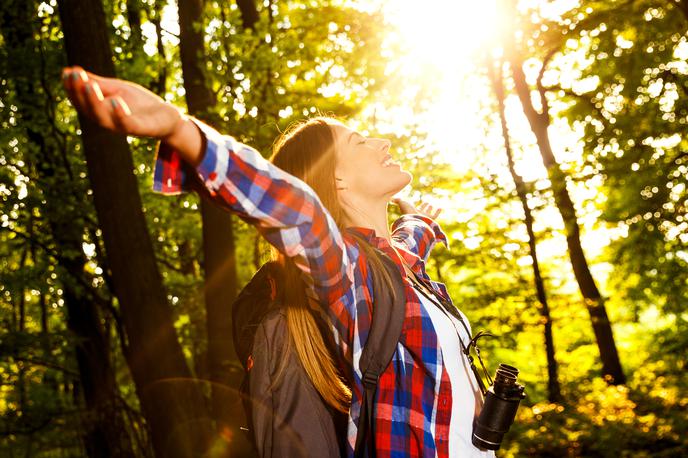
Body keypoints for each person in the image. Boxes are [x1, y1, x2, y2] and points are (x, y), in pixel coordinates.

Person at [62, 66, 496, 458]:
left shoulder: (399, 270)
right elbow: (295, 212)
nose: (381, 142)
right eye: (359, 142)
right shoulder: (354, 280)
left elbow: (407, 245)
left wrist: (418, 219)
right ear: (336, 179)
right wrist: (182, 132)